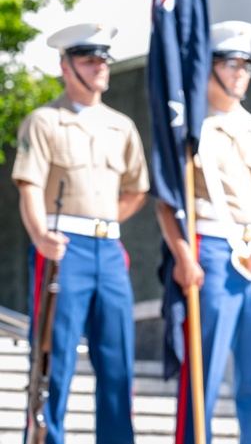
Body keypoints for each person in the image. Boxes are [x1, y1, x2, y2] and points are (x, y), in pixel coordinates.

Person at [13, 23, 149, 444]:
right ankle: (46, 437)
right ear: (66, 66)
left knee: (117, 360)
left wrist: (106, 221)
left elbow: (136, 189)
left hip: (108, 250)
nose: (100, 68)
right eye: (90, 60)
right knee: (54, 359)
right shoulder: (44, 121)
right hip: (62, 249)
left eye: (104, 59)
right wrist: (40, 235)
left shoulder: (121, 126)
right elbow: (30, 187)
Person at [155, 20, 251, 444]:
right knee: (203, 373)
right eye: (230, 64)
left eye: (246, 65)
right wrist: (182, 256)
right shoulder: (189, 132)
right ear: (208, 69)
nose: (241, 73)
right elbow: (166, 202)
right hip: (210, 249)